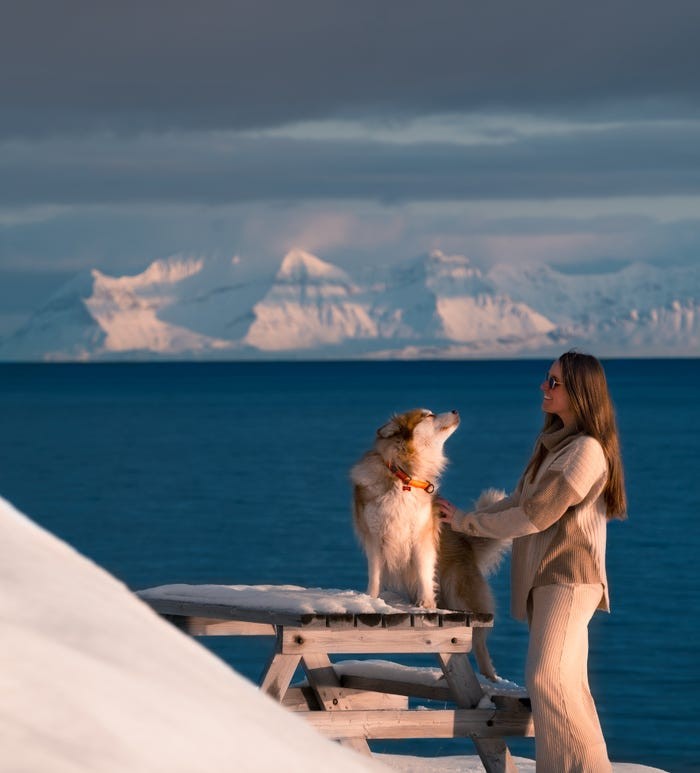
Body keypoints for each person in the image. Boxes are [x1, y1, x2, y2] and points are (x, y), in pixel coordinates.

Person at [437, 350, 626, 773]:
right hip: (550, 580)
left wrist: (469, 523)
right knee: (567, 687)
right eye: (547, 378)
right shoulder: (553, 448)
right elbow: (519, 502)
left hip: (570, 580)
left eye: (555, 382)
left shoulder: (585, 452)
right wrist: (465, 521)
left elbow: (536, 515)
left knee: (547, 680)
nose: (544, 386)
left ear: (580, 392)